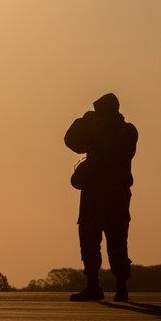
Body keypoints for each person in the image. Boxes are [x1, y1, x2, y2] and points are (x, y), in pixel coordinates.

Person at [64, 93, 138, 302]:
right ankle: (121, 286)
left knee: (89, 239)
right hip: (119, 193)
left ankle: (93, 285)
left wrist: (84, 120)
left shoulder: (94, 129)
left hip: (95, 192)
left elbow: (70, 140)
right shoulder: (129, 130)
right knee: (118, 240)